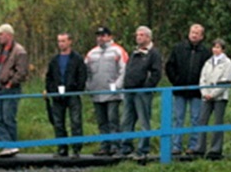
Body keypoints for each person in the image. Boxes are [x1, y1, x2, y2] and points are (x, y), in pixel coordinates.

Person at [165, 23, 211, 158]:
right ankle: (176, 146)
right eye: (192, 32)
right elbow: (170, 66)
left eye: (197, 33)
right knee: (178, 118)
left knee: (196, 118)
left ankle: (193, 146)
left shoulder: (205, 52)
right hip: (180, 89)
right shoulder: (179, 48)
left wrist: (202, 85)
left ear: (202, 36)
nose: (194, 35)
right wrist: (176, 80)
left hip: (197, 91)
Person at [120, 26, 162, 160]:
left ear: (148, 37)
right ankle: (126, 147)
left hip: (142, 92)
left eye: (142, 35)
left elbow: (156, 73)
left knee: (144, 120)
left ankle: (143, 148)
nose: (138, 37)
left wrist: (147, 86)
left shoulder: (153, 53)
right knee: (127, 120)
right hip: (129, 90)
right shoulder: (134, 53)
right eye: (137, 35)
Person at [85, 25, 127, 156]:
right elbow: (85, 72)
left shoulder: (118, 51)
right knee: (101, 121)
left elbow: (124, 70)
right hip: (97, 93)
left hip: (113, 94)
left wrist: (118, 86)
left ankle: (116, 146)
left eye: (103, 35)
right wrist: (88, 87)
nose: (100, 38)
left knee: (113, 120)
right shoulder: (92, 53)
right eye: (98, 36)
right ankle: (104, 146)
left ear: (110, 36)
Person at [45, 31, 87, 158]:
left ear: (70, 42)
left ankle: (76, 149)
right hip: (57, 95)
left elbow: (82, 75)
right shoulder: (54, 60)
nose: (61, 44)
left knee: (75, 122)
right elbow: (49, 77)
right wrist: (51, 90)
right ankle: (62, 148)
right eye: (59, 41)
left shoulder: (77, 59)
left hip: (72, 94)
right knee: (58, 123)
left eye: (63, 41)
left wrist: (78, 89)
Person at [0, 23, 29, 157]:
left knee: (8, 118)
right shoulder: (0, 50)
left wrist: (11, 83)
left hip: (10, 89)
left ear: (8, 35)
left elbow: (22, 71)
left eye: (1, 34)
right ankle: (7, 144)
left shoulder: (19, 51)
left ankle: (11, 146)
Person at [194, 38, 231, 160]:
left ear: (223, 49)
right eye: (214, 47)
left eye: (218, 47)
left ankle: (215, 149)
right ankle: (200, 147)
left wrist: (214, 94)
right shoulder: (208, 62)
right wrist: (205, 92)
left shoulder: (227, 63)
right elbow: (202, 79)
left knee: (217, 122)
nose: (215, 50)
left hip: (220, 97)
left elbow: (225, 81)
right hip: (206, 95)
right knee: (202, 120)